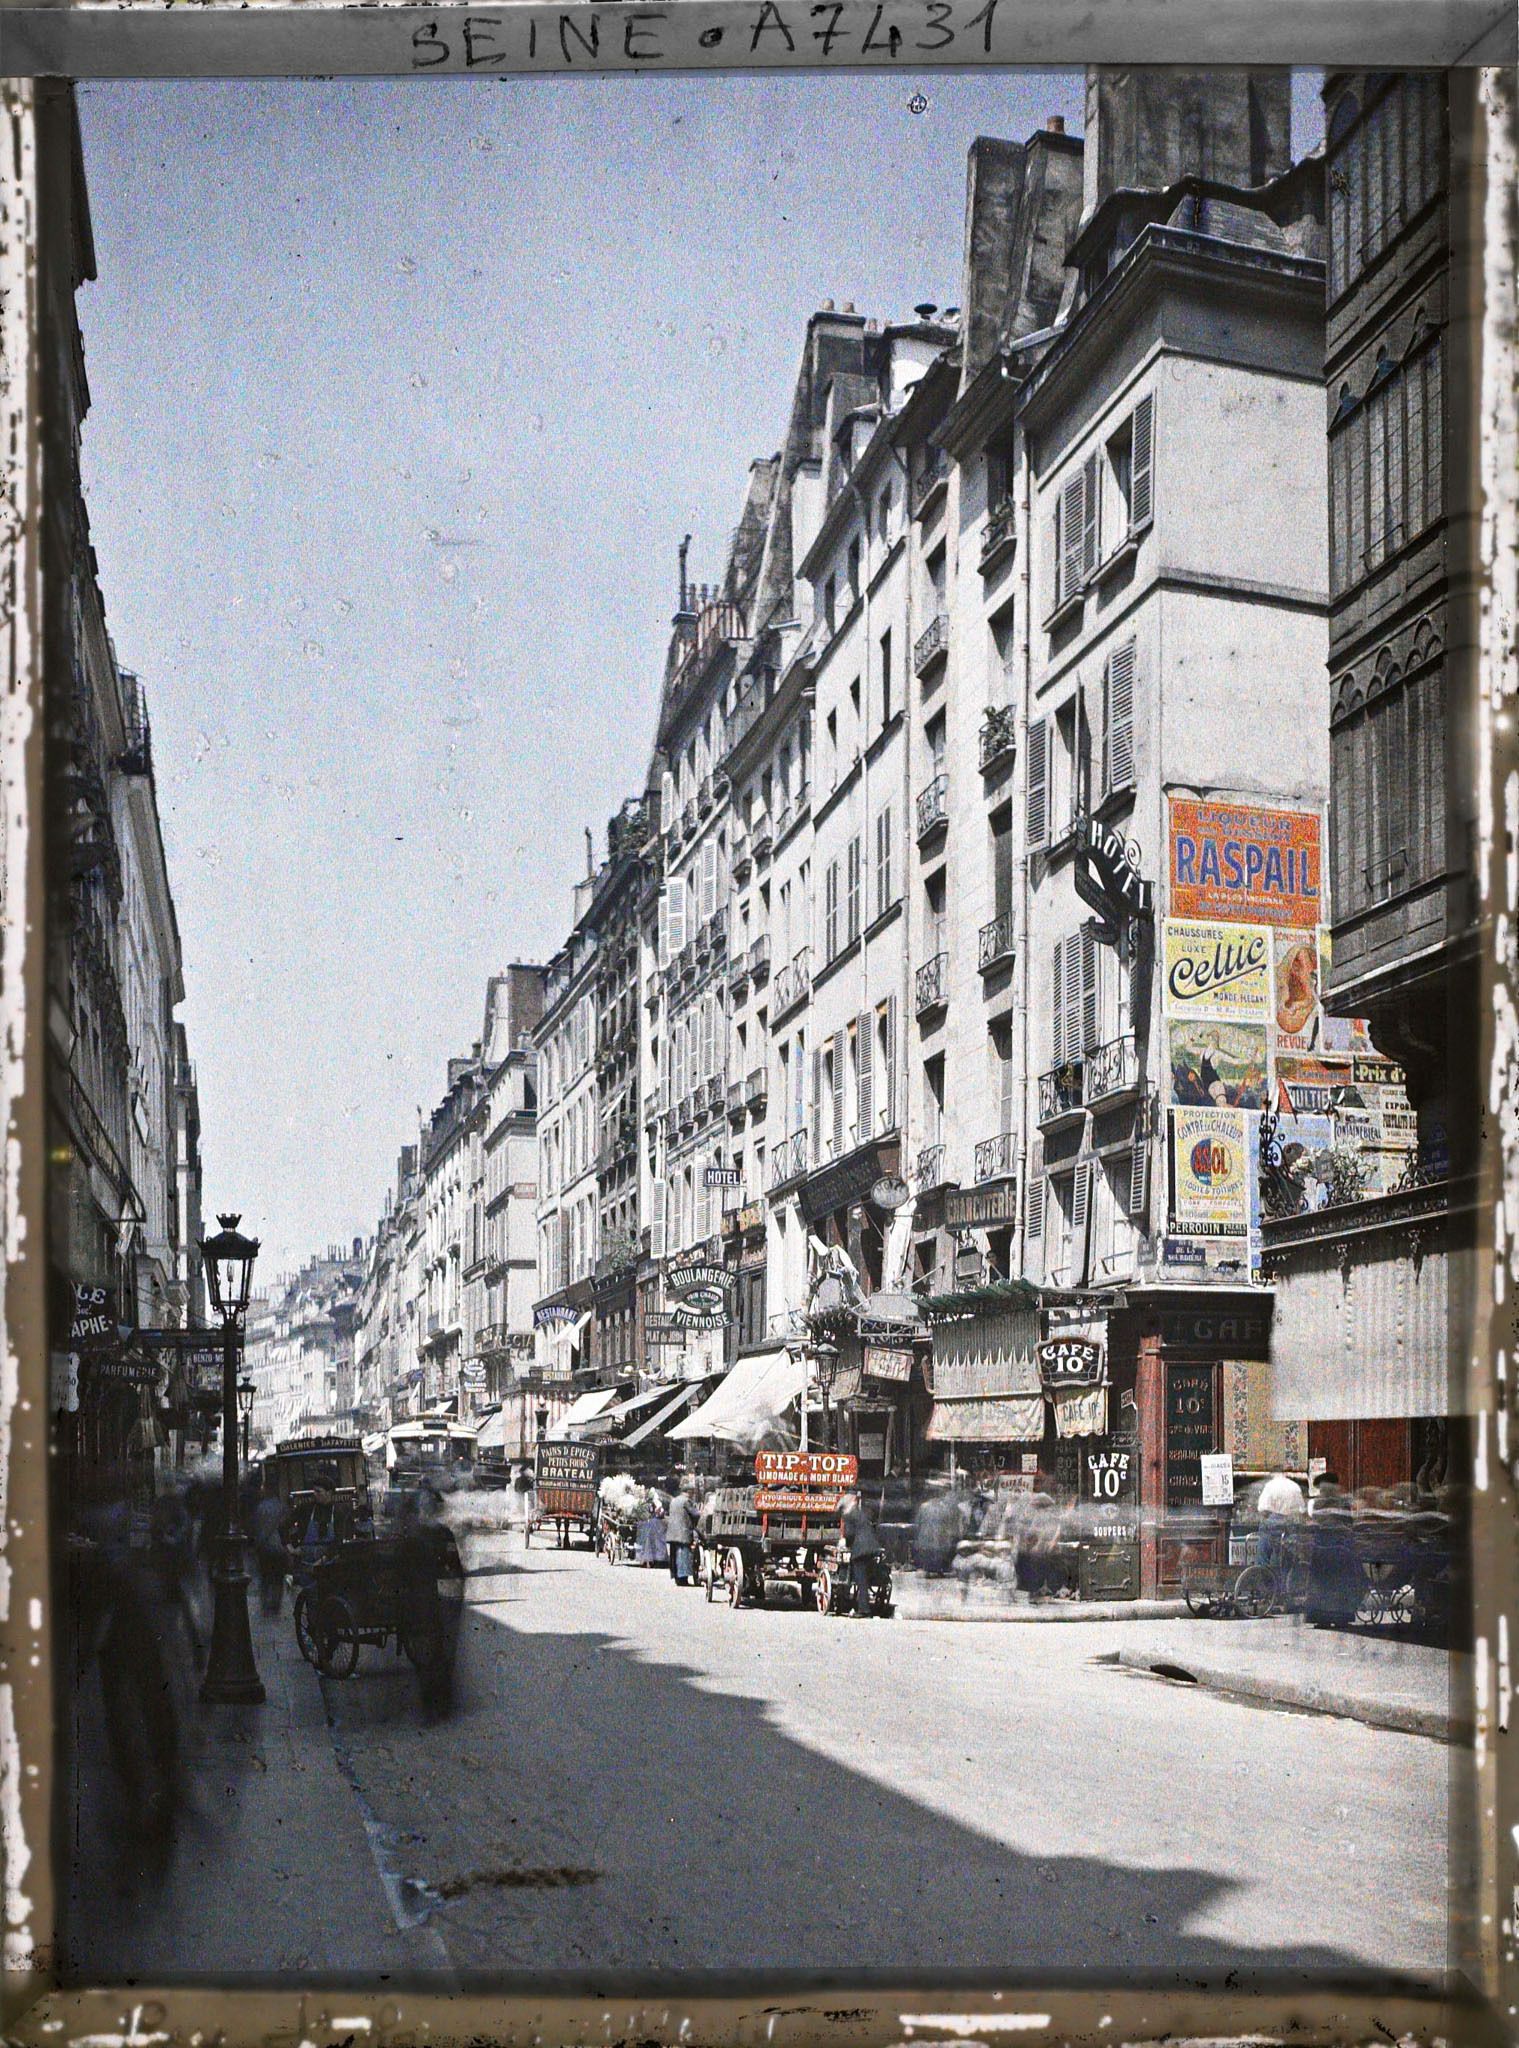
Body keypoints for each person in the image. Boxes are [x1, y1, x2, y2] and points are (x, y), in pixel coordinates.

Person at [839, 1489, 883, 1618]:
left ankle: (864, 1610)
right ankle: (866, 1606)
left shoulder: (849, 1514)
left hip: (860, 1550)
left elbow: (849, 1534)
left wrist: (844, 1542)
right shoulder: (860, 1512)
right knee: (865, 1579)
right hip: (871, 1547)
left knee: (861, 1580)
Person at [1255, 1470, 1305, 1572]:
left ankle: (1263, 1571)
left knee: (1263, 1545)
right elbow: (1302, 1510)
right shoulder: (1295, 1486)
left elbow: (1262, 1509)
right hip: (1291, 1523)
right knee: (1288, 1549)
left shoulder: (1270, 1485)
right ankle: (1287, 1568)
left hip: (1274, 1522)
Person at [665, 1480, 696, 1586]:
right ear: (688, 1492)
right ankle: (683, 1578)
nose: (693, 1494)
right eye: (692, 1492)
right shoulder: (686, 1501)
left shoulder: (674, 1500)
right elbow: (695, 1514)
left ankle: (677, 1577)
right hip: (682, 1532)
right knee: (683, 1555)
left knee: (674, 1556)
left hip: (672, 1532)